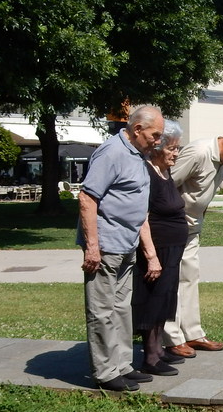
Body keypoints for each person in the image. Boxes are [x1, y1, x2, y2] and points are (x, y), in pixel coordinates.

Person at [77, 105, 164, 392]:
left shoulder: (137, 156)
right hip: (106, 245)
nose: (158, 141)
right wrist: (92, 247)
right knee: (102, 310)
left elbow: (137, 206)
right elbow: (88, 198)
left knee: (122, 308)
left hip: (127, 244)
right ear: (137, 129)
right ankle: (105, 372)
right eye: (155, 134)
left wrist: (147, 251)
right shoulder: (111, 152)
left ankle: (122, 365)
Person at [163, 128, 223, 358]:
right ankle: (171, 338)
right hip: (173, 226)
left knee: (189, 277)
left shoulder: (222, 161)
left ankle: (192, 333)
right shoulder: (198, 152)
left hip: (192, 228)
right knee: (171, 281)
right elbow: (166, 184)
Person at [132, 120, 188, 377]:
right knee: (152, 302)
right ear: (157, 148)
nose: (176, 153)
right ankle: (150, 357)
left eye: (178, 148)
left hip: (173, 250)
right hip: (158, 251)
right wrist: (152, 256)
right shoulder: (148, 173)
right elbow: (141, 217)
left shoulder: (166, 173)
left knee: (166, 300)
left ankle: (158, 348)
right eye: (172, 148)